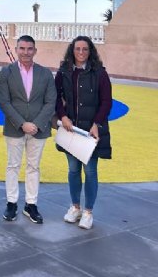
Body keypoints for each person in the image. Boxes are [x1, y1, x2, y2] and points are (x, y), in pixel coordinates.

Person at [0, 35, 56, 224]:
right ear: (16, 50)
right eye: (22, 48)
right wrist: (22, 124)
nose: (26, 52)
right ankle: (11, 203)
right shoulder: (6, 72)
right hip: (15, 128)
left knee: (33, 167)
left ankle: (31, 205)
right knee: (13, 166)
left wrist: (36, 124)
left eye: (29, 49)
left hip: (39, 129)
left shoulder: (45, 74)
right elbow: (4, 102)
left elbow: (50, 102)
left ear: (35, 51)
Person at [55, 36, 112, 230]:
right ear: (72, 50)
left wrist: (97, 123)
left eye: (85, 49)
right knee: (73, 170)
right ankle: (75, 207)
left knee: (90, 171)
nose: (81, 53)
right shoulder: (63, 72)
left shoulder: (99, 74)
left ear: (90, 52)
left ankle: (88, 212)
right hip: (71, 130)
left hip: (90, 133)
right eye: (77, 49)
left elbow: (106, 102)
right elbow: (55, 97)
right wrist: (62, 116)